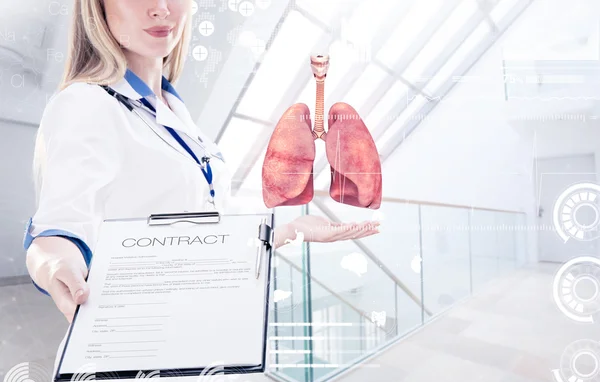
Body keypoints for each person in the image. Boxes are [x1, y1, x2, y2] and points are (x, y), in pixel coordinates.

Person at [24, 0, 381, 324]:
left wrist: (291, 230)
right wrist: (56, 263)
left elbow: (211, 221)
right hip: (132, 340)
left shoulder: (176, 112)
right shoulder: (86, 103)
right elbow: (59, 227)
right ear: (97, 7)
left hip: (199, 324)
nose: (161, 8)